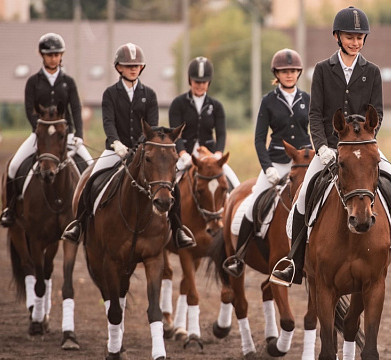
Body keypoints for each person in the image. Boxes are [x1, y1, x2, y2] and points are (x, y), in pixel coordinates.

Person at [269, 6, 391, 287]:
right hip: (330, 149)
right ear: (337, 36)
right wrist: (321, 147)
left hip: (364, 147)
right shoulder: (322, 70)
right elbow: (316, 114)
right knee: (303, 197)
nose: (355, 42)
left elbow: (376, 114)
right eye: (349, 36)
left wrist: (363, 142)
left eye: (359, 37)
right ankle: (294, 261)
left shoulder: (373, 72)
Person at [62, 43, 196, 249]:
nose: (133, 68)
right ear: (119, 68)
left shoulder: (149, 95)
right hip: (115, 149)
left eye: (137, 65)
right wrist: (116, 143)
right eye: (128, 65)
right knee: (93, 180)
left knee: (171, 186)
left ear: (141, 68)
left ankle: (178, 229)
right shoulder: (110, 94)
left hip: (143, 151)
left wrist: (140, 148)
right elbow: (108, 122)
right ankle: (79, 224)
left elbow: (150, 129)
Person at [222, 48, 312, 277]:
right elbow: (259, 139)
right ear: (277, 73)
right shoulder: (269, 101)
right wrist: (267, 168)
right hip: (277, 162)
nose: (289, 75)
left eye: (293, 71)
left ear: (299, 72)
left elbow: (316, 130)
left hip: (303, 163)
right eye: (284, 71)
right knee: (252, 207)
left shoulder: (307, 100)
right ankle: (238, 257)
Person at [0, 33, 91, 227]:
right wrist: (40, 128)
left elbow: (75, 109)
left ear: (61, 56)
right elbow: (29, 108)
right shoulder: (33, 82)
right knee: (14, 166)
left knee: (90, 166)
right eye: (49, 55)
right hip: (40, 135)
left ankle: (89, 213)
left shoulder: (68, 82)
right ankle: (10, 208)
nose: (53, 58)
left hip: (66, 135)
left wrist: (80, 136)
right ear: (42, 55)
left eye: (57, 54)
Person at [169, 56, 240, 188]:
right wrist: (184, 155)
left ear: (209, 82)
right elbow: (175, 135)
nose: (200, 85)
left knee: (234, 181)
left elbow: (221, 134)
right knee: (169, 185)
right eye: (197, 81)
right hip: (184, 155)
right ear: (190, 80)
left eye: (204, 82)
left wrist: (218, 155)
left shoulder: (216, 106)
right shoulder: (178, 104)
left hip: (210, 156)